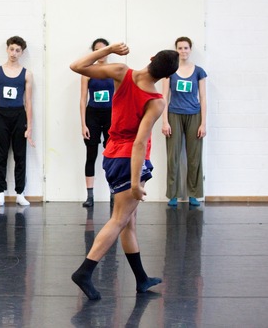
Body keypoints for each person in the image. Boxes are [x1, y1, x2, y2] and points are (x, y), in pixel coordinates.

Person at [69, 42, 179, 300]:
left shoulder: (121, 71)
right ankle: (84, 272)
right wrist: (135, 183)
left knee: (129, 221)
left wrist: (108, 51)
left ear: (151, 57)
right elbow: (140, 142)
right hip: (130, 161)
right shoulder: (156, 101)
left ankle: (141, 279)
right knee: (119, 219)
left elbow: (77, 66)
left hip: (111, 154)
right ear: (167, 76)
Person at [0, 36, 34, 207]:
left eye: (18, 50)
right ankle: (0, 192)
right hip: (2, 115)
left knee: (20, 155)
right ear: (7, 49)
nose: (14, 53)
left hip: (19, 115)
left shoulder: (27, 74)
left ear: (22, 52)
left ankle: (20, 193)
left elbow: (29, 102)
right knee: (0, 155)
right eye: (11, 49)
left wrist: (29, 126)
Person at [161, 36, 207, 207]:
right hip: (174, 115)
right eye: (180, 48)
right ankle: (172, 194)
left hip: (194, 115)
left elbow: (202, 98)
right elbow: (164, 97)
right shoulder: (169, 72)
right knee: (173, 156)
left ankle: (193, 194)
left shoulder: (199, 71)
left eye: (186, 48)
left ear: (190, 49)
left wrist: (203, 123)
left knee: (194, 157)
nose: (183, 51)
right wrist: (165, 121)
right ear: (176, 50)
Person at [79, 38, 113, 207]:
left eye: (103, 49)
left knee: (113, 156)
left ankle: (114, 193)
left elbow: (120, 98)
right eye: (97, 50)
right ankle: (90, 196)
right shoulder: (87, 72)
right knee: (91, 155)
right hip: (92, 115)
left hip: (110, 116)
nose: (101, 53)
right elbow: (83, 98)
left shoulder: (115, 71)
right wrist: (83, 124)